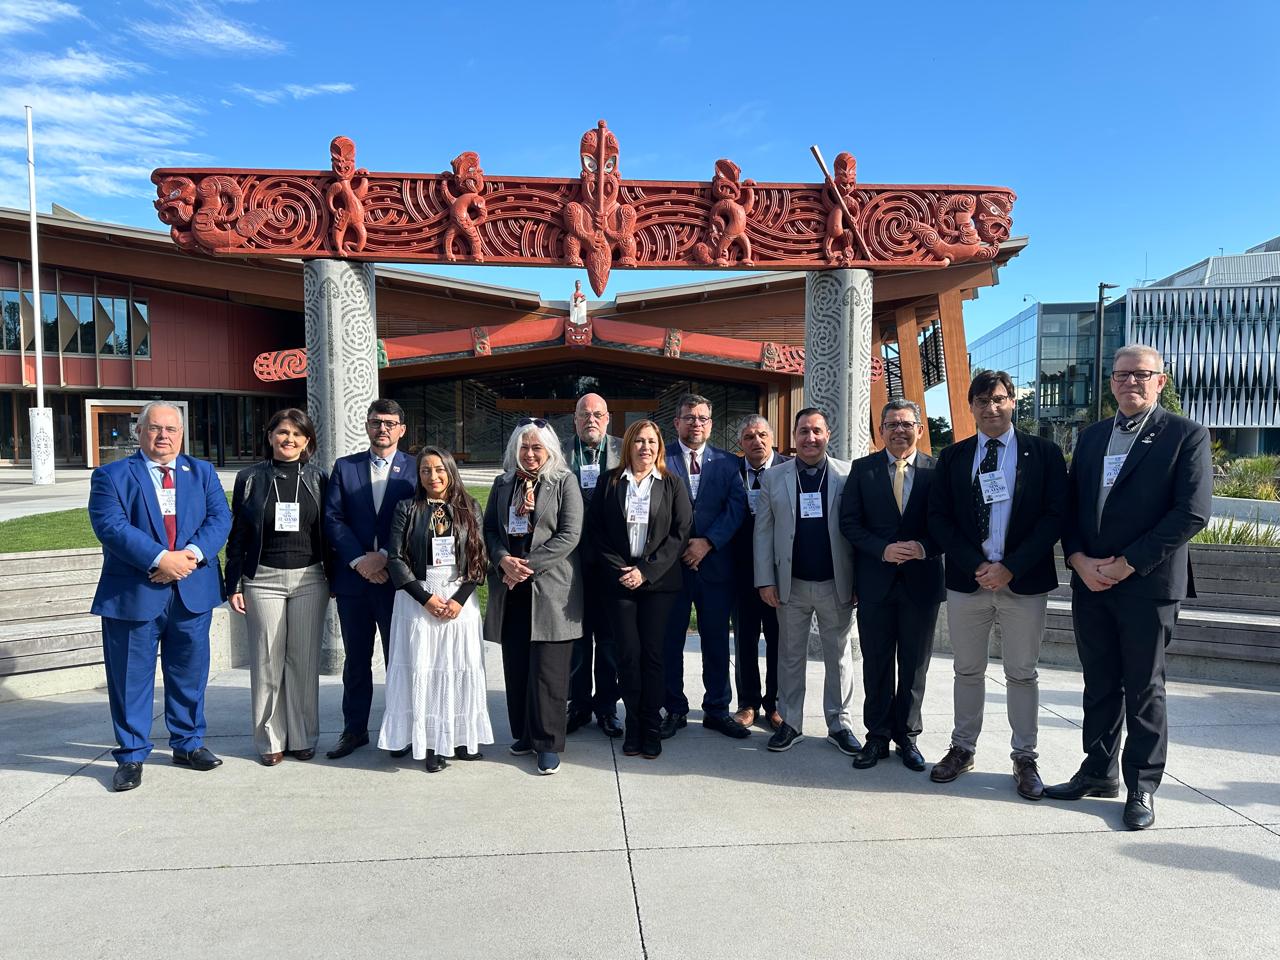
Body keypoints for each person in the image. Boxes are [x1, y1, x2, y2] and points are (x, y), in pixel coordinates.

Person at [1045, 345, 1211, 829]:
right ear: (1111, 382)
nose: (1129, 383)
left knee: (1143, 689)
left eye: (1141, 374)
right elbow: (1070, 508)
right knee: (1098, 684)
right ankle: (1097, 771)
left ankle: (1142, 784)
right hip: (1090, 582)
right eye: (1121, 375)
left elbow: (1192, 512)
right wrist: (1076, 558)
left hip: (1146, 584)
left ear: (1161, 381)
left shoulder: (1185, 435)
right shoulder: (1093, 437)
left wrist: (1127, 565)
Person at [926, 369, 1067, 800]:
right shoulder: (954, 457)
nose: (992, 408)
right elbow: (939, 519)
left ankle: (1025, 757)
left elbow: (1055, 516)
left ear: (1013, 403)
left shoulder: (1043, 453)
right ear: (971, 408)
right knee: (966, 669)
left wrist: (1011, 567)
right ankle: (962, 748)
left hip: (1022, 583)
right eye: (983, 401)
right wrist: (976, 566)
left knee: (1021, 673)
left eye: (1000, 399)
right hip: (969, 583)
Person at [87, 400, 232, 792]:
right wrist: (159, 558)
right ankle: (132, 755)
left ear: (181, 434)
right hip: (134, 593)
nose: (163, 436)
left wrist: (190, 556)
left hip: (191, 593)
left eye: (171, 429)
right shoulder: (112, 475)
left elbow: (220, 518)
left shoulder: (201, 472)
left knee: (189, 675)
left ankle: (187, 744)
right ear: (139, 432)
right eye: (154, 428)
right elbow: (110, 526)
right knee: (130, 679)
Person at [839, 399, 943, 771]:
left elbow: (949, 524)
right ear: (880, 430)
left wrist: (924, 546)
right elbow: (849, 523)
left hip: (922, 582)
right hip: (876, 584)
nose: (899, 430)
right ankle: (877, 735)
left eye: (906, 423)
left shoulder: (937, 470)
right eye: (892, 424)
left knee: (914, 666)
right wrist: (882, 550)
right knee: (877, 664)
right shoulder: (862, 470)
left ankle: (908, 737)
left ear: (919, 428)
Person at [225, 408, 330, 766]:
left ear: (308, 441)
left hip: (310, 579)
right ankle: (269, 739)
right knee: (267, 660)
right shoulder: (250, 478)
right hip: (262, 578)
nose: (289, 439)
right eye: (282, 432)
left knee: (303, 661)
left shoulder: (319, 478)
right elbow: (238, 533)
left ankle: (302, 736)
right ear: (269, 436)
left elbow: (328, 532)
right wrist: (233, 580)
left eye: (297, 434)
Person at [753, 408, 861, 757]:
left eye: (816, 431)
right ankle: (792, 722)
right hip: (791, 583)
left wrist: (858, 579)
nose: (810, 438)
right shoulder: (775, 477)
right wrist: (765, 580)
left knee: (840, 656)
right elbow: (763, 532)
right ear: (794, 437)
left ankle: (839, 723)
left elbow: (858, 531)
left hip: (836, 582)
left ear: (828, 434)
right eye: (803, 431)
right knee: (789, 655)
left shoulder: (848, 474)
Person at [380, 447, 493, 773]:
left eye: (439, 469)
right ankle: (431, 743)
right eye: (426, 470)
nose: (433, 476)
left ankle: (461, 737)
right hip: (419, 599)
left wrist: (458, 599)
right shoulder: (407, 508)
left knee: (459, 668)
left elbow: (478, 558)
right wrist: (424, 598)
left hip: (459, 599)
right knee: (426, 670)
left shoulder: (469, 507)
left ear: (450, 471)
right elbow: (396, 558)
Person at [584, 420, 693, 758]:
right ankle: (632, 724)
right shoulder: (609, 482)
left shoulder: (672, 484)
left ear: (659, 447)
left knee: (653, 656)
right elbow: (596, 532)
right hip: (618, 583)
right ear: (628, 445)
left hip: (659, 585)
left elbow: (681, 532)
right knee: (627, 657)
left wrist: (645, 571)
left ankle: (651, 726)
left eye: (651, 442)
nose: (645, 448)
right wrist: (623, 570)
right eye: (639, 442)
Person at [483, 418, 584, 775]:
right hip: (511, 588)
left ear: (549, 450)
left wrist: (526, 564)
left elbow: (570, 534)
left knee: (548, 671)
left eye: (536, 447)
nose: (529, 454)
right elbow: (491, 529)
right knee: (518, 665)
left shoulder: (563, 481)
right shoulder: (503, 483)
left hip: (551, 588)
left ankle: (548, 744)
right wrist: (502, 560)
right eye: (524, 447)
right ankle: (524, 734)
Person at [323, 399, 416, 760]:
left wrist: (387, 558)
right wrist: (361, 560)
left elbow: (418, 520)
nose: (383, 429)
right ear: (366, 425)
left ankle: (401, 729)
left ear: (401, 429)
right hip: (355, 582)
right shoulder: (345, 468)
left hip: (398, 583)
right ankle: (354, 729)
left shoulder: (414, 469)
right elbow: (332, 519)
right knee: (356, 660)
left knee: (399, 658)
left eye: (390, 423)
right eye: (377, 422)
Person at [661, 393, 749, 740]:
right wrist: (683, 546)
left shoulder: (729, 463)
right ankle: (674, 708)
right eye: (688, 417)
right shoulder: (661, 458)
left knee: (715, 641)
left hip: (715, 568)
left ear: (710, 425)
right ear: (677, 422)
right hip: (673, 568)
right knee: (671, 641)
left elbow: (736, 508)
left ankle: (716, 708)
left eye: (702, 418)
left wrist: (707, 542)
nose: (695, 423)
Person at [566, 392, 625, 739]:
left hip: (610, 561)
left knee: (608, 640)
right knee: (575, 639)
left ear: (608, 419)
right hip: (570, 562)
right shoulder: (559, 451)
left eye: (598, 414)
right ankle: (578, 706)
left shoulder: (622, 450)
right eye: (584, 414)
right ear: (575, 420)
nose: (591, 420)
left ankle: (606, 707)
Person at [731, 414, 789, 730]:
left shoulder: (788, 470)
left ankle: (776, 704)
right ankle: (748, 703)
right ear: (741, 443)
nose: (757, 441)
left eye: (762, 435)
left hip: (780, 573)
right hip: (741, 573)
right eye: (750, 436)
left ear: (772, 437)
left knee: (780, 640)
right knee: (745, 640)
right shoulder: (730, 471)